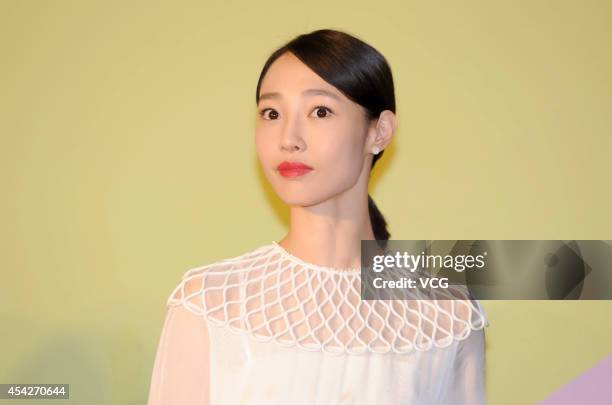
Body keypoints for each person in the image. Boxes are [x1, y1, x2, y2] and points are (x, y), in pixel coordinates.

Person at [147, 28, 490, 405]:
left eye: (320, 111)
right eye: (272, 113)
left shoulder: (447, 313)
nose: (288, 138)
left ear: (380, 132)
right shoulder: (209, 302)